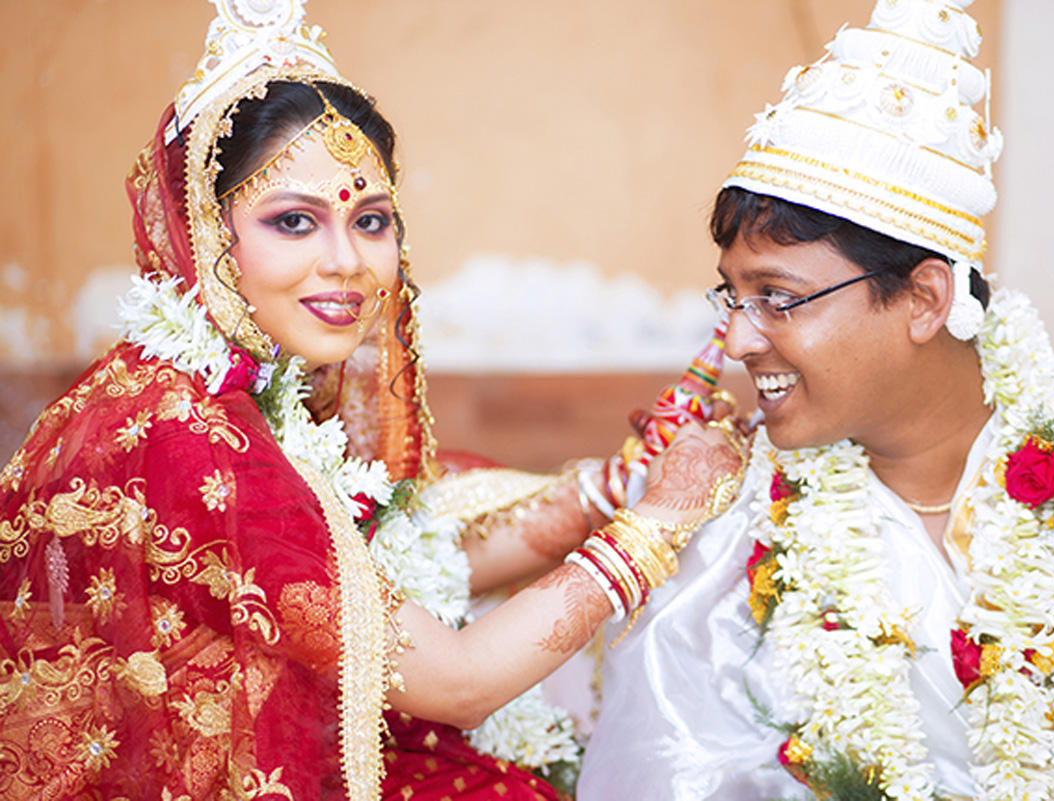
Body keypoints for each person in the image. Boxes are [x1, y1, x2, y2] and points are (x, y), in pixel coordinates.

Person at [0, 3, 746, 800]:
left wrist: (613, 490)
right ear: (207, 235)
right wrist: (662, 517)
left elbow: (386, 561)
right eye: (294, 221)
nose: (346, 261)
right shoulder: (188, 430)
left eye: (371, 220)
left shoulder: (254, 386)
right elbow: (457, 681)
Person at [578, 1, 1054, 799]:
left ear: (924, 298)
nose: (737, 340)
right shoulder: (737, 529)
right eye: (732, 295)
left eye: (777, 296)